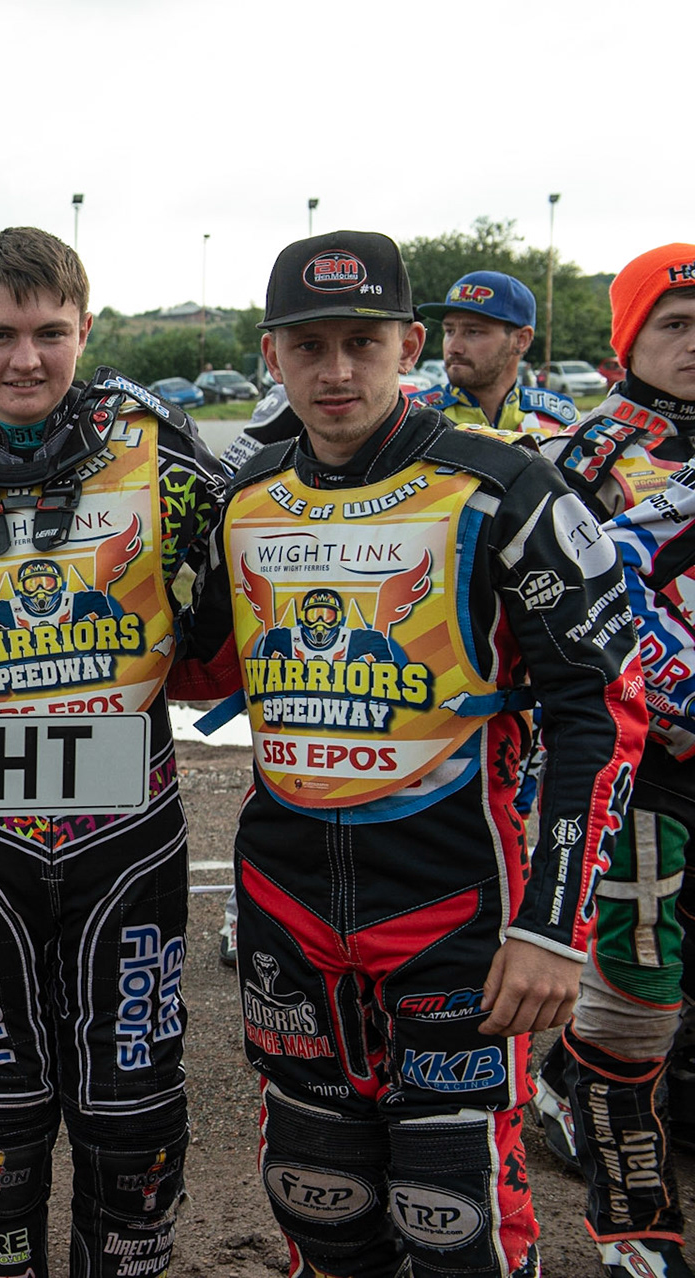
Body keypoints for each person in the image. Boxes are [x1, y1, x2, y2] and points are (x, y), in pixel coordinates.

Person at [182, 229, 647, 1278]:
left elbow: (600, 708)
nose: (336, 372)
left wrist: (553, 929)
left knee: (453, 1209)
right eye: (310, 347)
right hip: (287, 902)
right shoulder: (244, 497)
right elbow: (188, 663)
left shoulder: (505, 488)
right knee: (317, 1193)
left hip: (456, 909)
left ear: (408, 343)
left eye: (362, 342)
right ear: (272, 355)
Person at [0, 226, 227, 1277]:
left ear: (86, 331)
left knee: (133, 1103)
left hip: (129, 830)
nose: (26, 359)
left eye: (50, 333)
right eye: (0, 335)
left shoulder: (160, 446)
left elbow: (234, 598)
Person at [532, 242, 695, 1278]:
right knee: (638, 984)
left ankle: (566, 1076)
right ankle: (634, 1217)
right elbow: (559, 620)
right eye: (676, 325)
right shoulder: (586, 459)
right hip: (642, 762)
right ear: (630, 338)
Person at [409, 270, 578, 436]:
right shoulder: (414, 419)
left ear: (521, 340)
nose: (454, 347)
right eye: (449, 331)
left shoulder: (559, 424)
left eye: (473, 332)